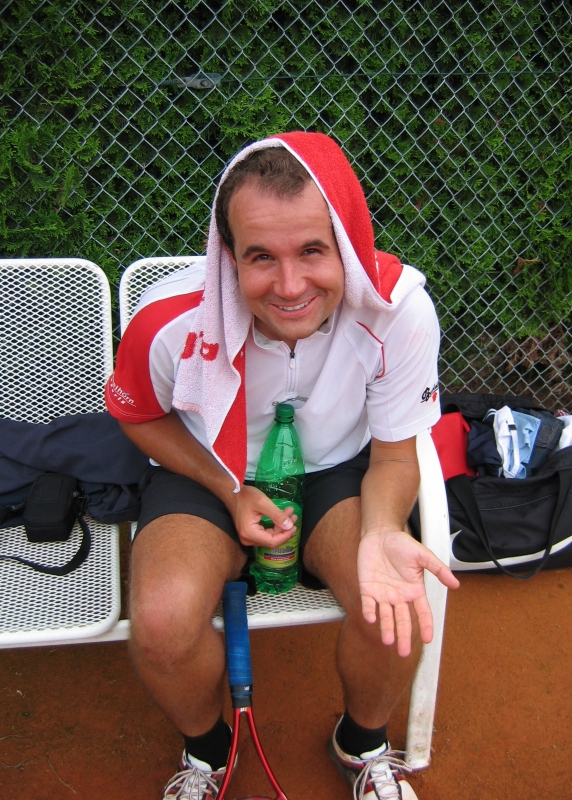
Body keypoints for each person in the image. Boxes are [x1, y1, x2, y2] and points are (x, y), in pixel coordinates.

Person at [105, 131, 460, 800]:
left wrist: (383, 529)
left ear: (347, 239)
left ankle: (362, 744)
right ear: (227, 254)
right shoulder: (167, 320)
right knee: (160, 622)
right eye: (261, 256)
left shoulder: (399, 309)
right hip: (210, 471)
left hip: (335, 474)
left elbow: (394, 452)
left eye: (313, 251)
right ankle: (208, 751)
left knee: (390, 600)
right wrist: (227, 488)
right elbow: (138, 415)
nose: (290, 286)